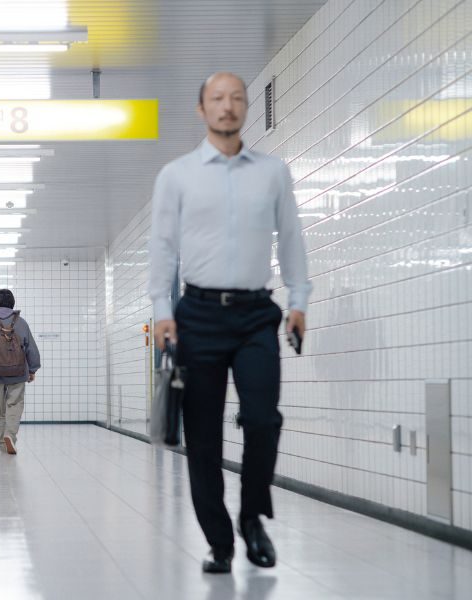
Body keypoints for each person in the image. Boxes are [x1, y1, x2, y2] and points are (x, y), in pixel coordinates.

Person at [147, 72, 312, 574]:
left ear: (245, 108)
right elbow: (163, 248)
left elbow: (290, 238)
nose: (228, 106)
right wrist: (162, 312)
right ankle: (219, 541)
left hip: (256, 315)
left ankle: (251, 518)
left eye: (237, 98)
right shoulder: (176, 176)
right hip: (196, 315)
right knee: (203, 437)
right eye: (217, 99)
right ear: (201, 109)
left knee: (264, 418)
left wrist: (299, 298)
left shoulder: (273, 172)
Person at [0, 289, 41, 455]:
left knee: (0, 410)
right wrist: (32, 369)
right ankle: (10, 435)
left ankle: (1, 444)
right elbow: (31, 348)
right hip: (18, 372)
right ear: (12, 304)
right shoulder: (22, 322)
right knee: (15, 404)